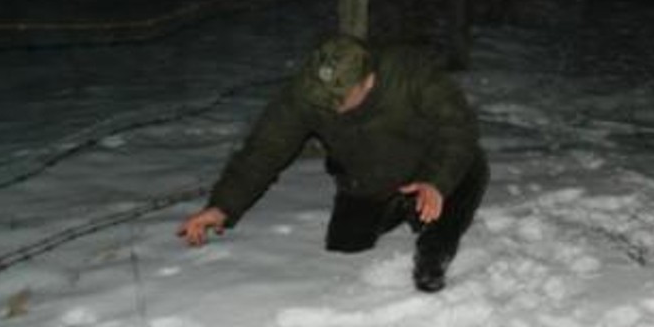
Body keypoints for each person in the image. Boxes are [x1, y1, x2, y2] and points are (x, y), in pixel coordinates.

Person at [177, 35, 488, 293]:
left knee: (455, 190)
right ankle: (402, 207)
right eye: (323, 97)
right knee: (345, 247)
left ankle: (434, 249)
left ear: (367, 81)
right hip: (371, 178)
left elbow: (459, 128)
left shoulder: (410, 73)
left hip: (434, 167)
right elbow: (264, 150)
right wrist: (223, 206)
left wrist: (436, 181)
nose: (329, 106)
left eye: (340, 98)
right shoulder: (308, 92)